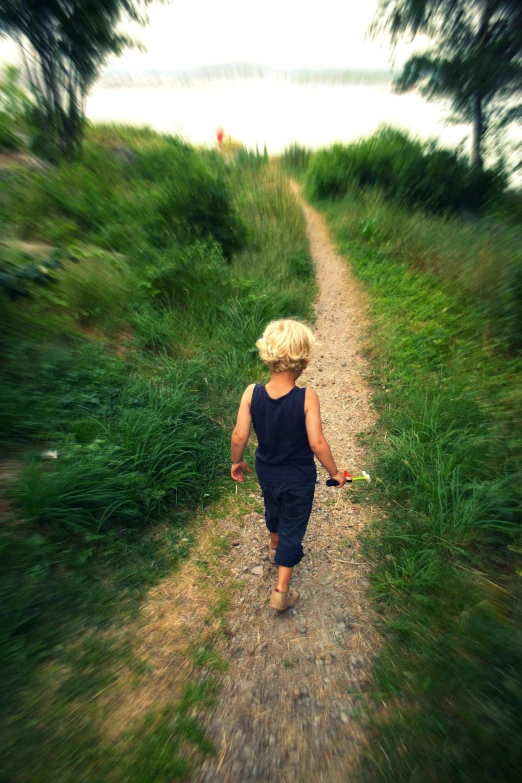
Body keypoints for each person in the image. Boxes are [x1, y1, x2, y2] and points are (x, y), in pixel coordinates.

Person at [230, 319, 346, 612]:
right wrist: (334, 473)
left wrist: (237, 460)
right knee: (293, 526)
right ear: (305, 362)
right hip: (298, 478)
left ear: (266, 355)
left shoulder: (251, 392)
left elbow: (239, 434)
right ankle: (281, 591)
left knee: (273, 509)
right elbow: (317, 442)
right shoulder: (307, 397)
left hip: (266, 472)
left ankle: (273, 546)